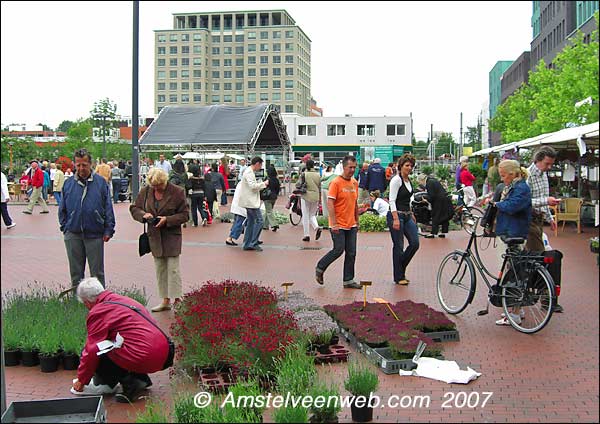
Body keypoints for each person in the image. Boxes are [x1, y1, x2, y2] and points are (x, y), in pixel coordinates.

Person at [70, 277, 170, 403]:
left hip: (144, 356)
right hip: (164, 353)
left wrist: (81, 380)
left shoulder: (98, 312)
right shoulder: (124, 300)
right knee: (124, 343)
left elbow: (92, 350)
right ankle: (142, 378)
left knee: (101, 351)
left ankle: (130, 383)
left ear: (87, 302)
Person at [130, 168, 188, 311]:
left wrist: (167, 220)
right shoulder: (146, 191)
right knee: (160, 269)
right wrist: (144, 215)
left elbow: (185, 215)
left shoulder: (177, 192)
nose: (157, 188)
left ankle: (177, 299)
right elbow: (134, 208)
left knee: (173, 268)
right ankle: (165, 300)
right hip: (154, 236)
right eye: (154, 186)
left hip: (171, 236)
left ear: (165, 181)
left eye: (159, 185)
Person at [59, 149, 115, 288]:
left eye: (84, 165)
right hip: (73, 232)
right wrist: (65, 227)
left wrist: (108, 229)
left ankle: (100, 302)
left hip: (94, 233)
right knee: (75, 273)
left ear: (90, 164)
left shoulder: (101, 183)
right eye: (78, 165)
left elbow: (108, 206)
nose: (81, 168)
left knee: (97, 273)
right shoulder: (68, 183)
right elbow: (62, 208)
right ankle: (77, 301)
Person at [489, 160, 532, 326]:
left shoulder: (521, 188)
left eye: (503, 175)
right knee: (513, 270)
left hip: (514, 233)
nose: (502, 179)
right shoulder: (514, 186)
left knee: (513, 273)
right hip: (509, 231)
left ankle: (513, 313)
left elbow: (513, 206)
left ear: (513, 174)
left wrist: (497, 204)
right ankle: (517, 309)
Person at [525, 146, 562, 313]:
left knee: (526, 257)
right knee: (540, 257)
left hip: (538, 220)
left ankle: (512, 291)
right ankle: (546, 298)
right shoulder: (528, 175)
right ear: (538, 160)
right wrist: (546, 201)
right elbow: (524, 201)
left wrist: (550, 218)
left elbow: (545, 198)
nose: (549, 167)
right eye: (547, 164)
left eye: (550, 164)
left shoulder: (543, 175)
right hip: (529, 221)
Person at [315, 155, 361, 289]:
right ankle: (320, 267)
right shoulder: (336, 182)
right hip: (338, 224)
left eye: (354, 167)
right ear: (344, 167)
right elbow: (330, 203)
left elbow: (355, 203)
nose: (352, 170)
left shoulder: (354, 183)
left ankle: (348, 280)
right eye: (350, 167)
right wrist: (334, 223)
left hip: (351, 223)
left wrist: (357, 220)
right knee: (338, 249)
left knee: (351, 252)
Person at [387, 154, 420, 285]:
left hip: (407, 215)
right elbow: (392, 200)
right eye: (407, 165)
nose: (409, 168)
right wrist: (395, 218)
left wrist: (411, 213)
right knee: (398, 246)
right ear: (401, 166)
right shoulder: (396, 180)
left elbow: (408, 199)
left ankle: (400, 268)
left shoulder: (408, 181)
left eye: (411, 166)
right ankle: (399, 276)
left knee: (415, 243)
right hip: (397, 215)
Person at [238, 157, 268, 251]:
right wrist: (264, 184)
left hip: (249, 201)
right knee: (259, 221)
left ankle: (247, 243)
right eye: (260, 165)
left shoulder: (248, 171)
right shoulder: (249, 173)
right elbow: (253, 186)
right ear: (257, 164)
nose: (261, 167)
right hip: (251, 202)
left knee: (251, 222)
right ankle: (253, 242)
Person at [417, 174, 453, 238]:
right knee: (443, 215)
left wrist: (425, 200)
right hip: (444, 199)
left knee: (435, 215)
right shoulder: (433, 180)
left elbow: (431, 196)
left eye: (420, 182)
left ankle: (433, 233)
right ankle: (443, 232)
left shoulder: (429, 183)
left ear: (422, 180)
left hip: (438, 201)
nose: (420, 184)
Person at [300, 159, 323, 242]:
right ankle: (316, 227)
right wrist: (320, 198)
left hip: (306, 196)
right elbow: (320, 186)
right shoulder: (317, 175)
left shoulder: (304, 174)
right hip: (316, 196)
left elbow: (298, 184)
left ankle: (306, 235)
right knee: (312, 214)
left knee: (305, 215)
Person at [187, 162, 209, 227]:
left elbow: (189, 186)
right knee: (200, 207)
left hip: (194, 194)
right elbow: (204, 187)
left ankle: (195, 223)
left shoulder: (191, 179)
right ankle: (204, 217)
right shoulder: (202, 179)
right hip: (201, 193)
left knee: (194, 208)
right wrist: (205, 195)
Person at [263, 164, 281, 232]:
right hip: (274, 197)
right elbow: (278, 189)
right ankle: (265, 225)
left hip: (267, 197)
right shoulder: (276, 180)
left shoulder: (267, 179)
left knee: (269, 211)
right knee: (268, 211)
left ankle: (274, 224)